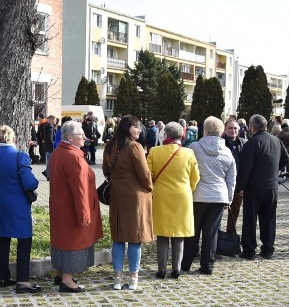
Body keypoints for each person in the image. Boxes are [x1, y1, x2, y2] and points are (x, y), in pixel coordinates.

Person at [48, 120, 103, 293]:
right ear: (70, 137)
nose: (85, 138)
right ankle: (67, 280)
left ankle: (60, 273)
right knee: (72, 242)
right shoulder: (74, 157)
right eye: (81, 135)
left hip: (60, 206)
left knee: (61, 240)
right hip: (72, 209)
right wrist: (84, 215)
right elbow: (80, 191)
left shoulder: (59, 152)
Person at [0, 125, 41, 294]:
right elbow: (30, 183)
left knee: (4, 239)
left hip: (1, 202)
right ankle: (23, 282)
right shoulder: (20, 156)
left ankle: (4, 277)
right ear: (13, 138)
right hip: (18, 204)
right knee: (24, 241)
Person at [103, 116, 153, 290]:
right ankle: (133, 278)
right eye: (136, 127)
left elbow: (105, 171)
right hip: (134, 196)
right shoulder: (134, 146)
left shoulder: (109, 146)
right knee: (134, 237)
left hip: (117, 194)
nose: (139, 130)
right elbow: (144, 174)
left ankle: (117, 279)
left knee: (118, 237)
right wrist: (150, 187)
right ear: (127, 128)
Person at [148, 121, 199, 279]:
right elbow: (195, 177)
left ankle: (161, 269)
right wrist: (188, 189)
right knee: (179, 234)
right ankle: (176, 268)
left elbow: (148, 175)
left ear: (165, 134)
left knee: (162, 234)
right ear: (182, 135)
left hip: (161, 196)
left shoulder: (154, 152)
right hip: (182, 195)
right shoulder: (188, 153)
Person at [235, 114, 289, 260]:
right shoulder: (276, 140)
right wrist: (273, 169)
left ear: (252, 127)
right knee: (269, 219)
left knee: (250, 219)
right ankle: (268, 249)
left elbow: (245, 168)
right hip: (272, 186)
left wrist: (239, 187)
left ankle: (249, 250)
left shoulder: (251, 143)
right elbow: (286, 158)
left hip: (253, 187)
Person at [185, 116, 236, 274]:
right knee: (211, 232)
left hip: (198, 195)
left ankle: (185, 263)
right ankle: (207, 266)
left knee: (193, 231)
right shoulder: (227, 152)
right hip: (219, 196)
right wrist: (229, 198)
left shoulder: (194, 147)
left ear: (205, 131)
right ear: (221, 133)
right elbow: (231, 178)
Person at [223, 119, 246, 235]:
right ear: (225, 130)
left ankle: (230, 234)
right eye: (230, 128)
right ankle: (215, 237)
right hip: (222, 183)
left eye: (235, 128)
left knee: (235, 211)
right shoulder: (221, 143)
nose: (233, 131)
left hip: (238, 184)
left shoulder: (244, 143)